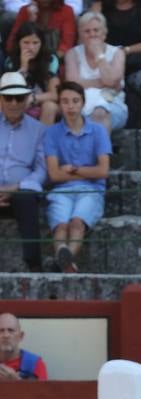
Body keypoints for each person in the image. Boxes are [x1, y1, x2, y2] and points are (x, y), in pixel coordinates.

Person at [43, 81, 111, 274]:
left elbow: (103, 171)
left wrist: (73, 169)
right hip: (61, 190)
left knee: (77, 223)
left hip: (91, 190)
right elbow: (54, 174)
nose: (70, 106)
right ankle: (67, 264)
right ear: (60, 104)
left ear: (83, 103)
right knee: (61, 227)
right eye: (65, 101)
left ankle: (63, 261)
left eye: (75, 101)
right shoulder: (52, 133)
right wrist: (86, 170)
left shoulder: (97, 130)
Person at [0, 72, 46, 273]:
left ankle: (34, 264)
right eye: (8, 98)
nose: (13, 103)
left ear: (27, 99)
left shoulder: (38, 130)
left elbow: (42, 169)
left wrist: (16, 186)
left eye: (19, 98)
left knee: (27, 198)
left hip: (20, 192)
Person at [91, 0, 141, 127]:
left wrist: (124, 51)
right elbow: (90, 35)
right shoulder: (99, 6)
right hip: (105, 60)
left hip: (134, 60)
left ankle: (135, 119)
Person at [64, 11, 128, 133]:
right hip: (80, 105)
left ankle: (101, 152)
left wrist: (99, 55)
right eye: (87, 31)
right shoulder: (72, 54)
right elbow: (73, 86)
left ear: (104, 33)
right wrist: (104, 83)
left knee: (99, 113)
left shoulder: (117, 53)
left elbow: (110, 80)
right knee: (82, 115)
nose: (92, 34)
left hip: (112, 104)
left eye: (96, 30)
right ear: (80, 35)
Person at [4, 23, 59, 123]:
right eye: (26, 42)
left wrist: (33, 99)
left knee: (50, 106)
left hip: (41, 102)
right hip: (19, 101)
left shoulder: (51, 60)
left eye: (35, 43)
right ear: (19, 43)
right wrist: (23, 67)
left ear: (41, 43)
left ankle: (42, 138)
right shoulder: (10, 61)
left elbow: (54, 94)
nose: (31, 47)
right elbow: (9, 91)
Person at [6, 0, 76, 63]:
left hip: (56, 61)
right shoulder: (25, 11)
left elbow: (67, 45)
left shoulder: (67, 11)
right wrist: (31, 20)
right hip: (27, 60)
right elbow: (11, 45)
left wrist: (51, 61)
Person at [0, 311, 48, 379]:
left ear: (21, 336)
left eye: (11, 330)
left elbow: (43, 390)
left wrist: (16, 382)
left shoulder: (35, 364)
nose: (6, 335)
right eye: (1, 330)